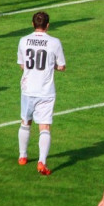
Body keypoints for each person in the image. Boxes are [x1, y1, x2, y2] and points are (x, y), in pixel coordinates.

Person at [17, 11, 66, 176]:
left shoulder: (23, 40)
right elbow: (61, 66)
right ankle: (42, 161)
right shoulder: (54, 42)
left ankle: (22, 156)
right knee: (44, 126)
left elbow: (22, 65)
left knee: (25, 122)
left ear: (33, 24)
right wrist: (51, 66)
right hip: (45, 91)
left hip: (27, 89)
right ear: (48, 25)